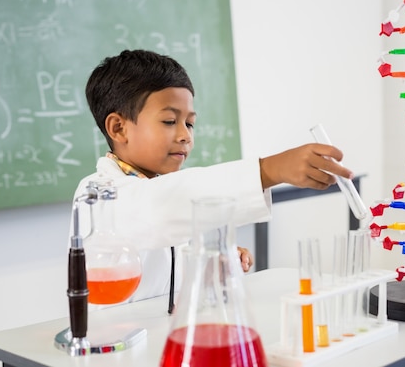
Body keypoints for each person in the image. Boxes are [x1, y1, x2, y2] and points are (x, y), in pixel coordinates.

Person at [71, 49, 354, 305]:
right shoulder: (96, 195)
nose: (185, 135)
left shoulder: (159, 185)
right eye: (170, 121)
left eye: (190, 123)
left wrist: (211, 263)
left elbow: (170, 258)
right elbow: (157, 210)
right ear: (118, 128)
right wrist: (270, 170)